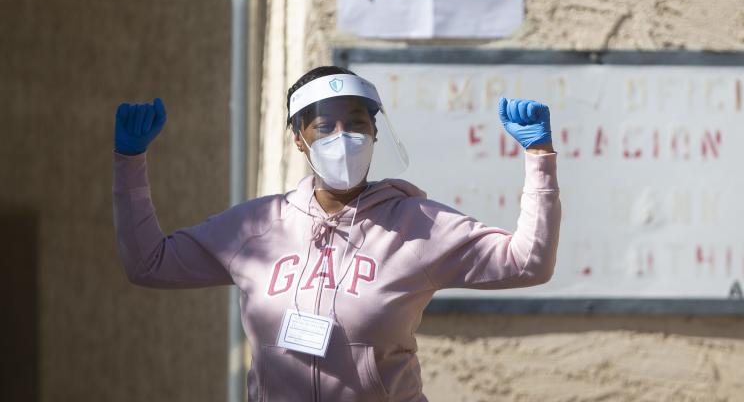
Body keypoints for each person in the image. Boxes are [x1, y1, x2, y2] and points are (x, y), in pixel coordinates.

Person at [112, 65, 561, 401]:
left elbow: (528, 262)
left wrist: (538, 154)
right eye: (325, 126)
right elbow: (149, 264)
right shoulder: (257, 226)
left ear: (375, 134)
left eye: (358, 124)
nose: (343, 137)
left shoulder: (417, 224)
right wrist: (129, 162)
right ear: (299, 138)